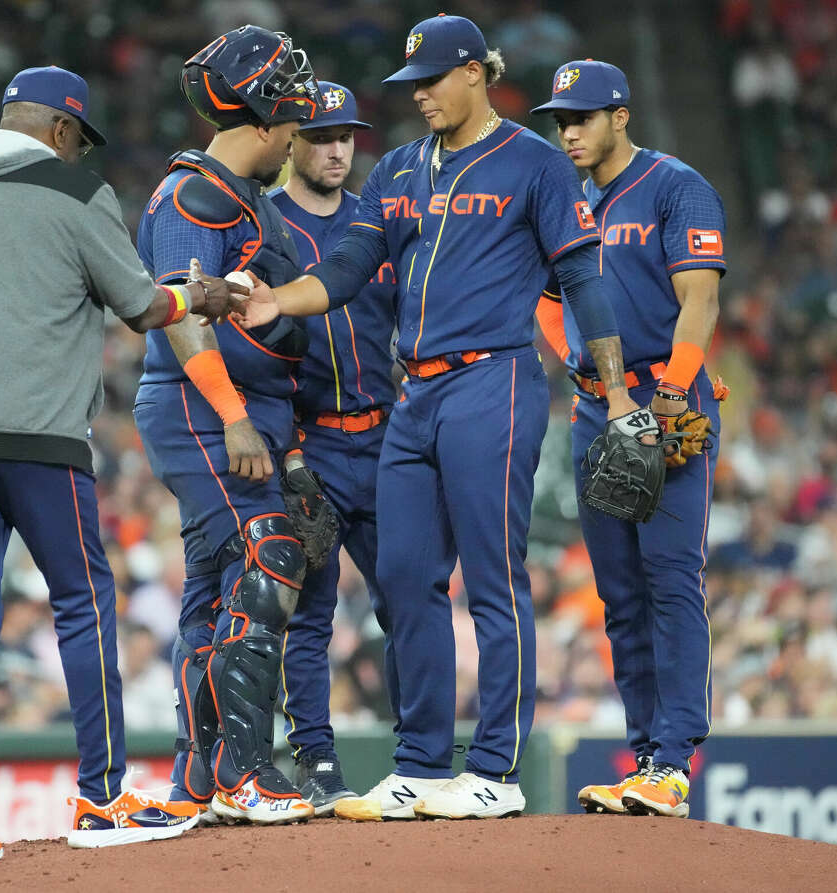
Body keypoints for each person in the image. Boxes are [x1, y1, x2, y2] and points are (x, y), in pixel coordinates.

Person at [236, 14, 642, 821]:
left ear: (475, 74)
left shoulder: (536, 162)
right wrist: (281, 298)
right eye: (410, 84)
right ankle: (421, 763)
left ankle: (494, 766)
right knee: (405, 579)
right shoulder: (397, 168)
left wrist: (617, 388)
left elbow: (585, 277)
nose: (417, 94)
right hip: (412, 396)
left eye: (430, 80)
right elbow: (351, 264)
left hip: (494, 380)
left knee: (493, 580)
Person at [0, 64, 246, 866]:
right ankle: (103, 796)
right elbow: (144, 306)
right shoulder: (77, 195)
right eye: (80, 139)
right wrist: (203, 297)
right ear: (63, 130)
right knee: (84, 600)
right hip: (35, 436)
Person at [131, 25, 322, 825]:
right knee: (273, 556)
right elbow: (181, 314)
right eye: (293, 110)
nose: (299, 129)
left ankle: (199, 781)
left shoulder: (243, 198)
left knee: (214, 593)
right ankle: (247, 772)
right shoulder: (194, 194)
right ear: (265, 115)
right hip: (202, 410)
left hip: (245, 416)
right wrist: (236, 418)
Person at [532, 59, 727, 818]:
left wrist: (676, 387)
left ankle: (674, 759)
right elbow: (550, 302)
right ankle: (646, 754)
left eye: (582, 116)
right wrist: (583, 367)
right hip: (596, 407)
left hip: (663, 397)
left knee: (671, 579)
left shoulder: (676, 185)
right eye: (561, 119)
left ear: (620, 116)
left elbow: (699, 297)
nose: (569, 131)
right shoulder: (563, 196)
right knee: (618, 592)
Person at [266, 81, 398, 814]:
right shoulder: (266, 227)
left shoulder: (372, 221)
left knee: (408, 602)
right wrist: (286, 454)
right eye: (321, 135)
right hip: (310, 442)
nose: (338, 148)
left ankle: (423, 756)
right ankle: (315, 760)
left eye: (347, 134)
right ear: (290, 140)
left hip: (383, 437)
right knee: (309, 615)